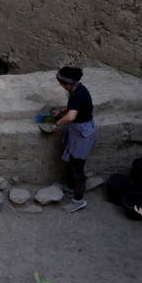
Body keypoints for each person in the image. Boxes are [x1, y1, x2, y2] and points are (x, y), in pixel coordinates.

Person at [52, 66, 96, 212]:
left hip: (83, 135)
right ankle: (70, 188)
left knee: (78, 168)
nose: (61, 86)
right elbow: (73, 108)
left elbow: (71, 117)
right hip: (79, 132)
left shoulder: (78, 94)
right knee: (73, 161)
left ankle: (78, 200)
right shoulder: (77, 89)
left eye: (62, 83)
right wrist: (61, 111)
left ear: (67, 83)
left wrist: (57, 123)